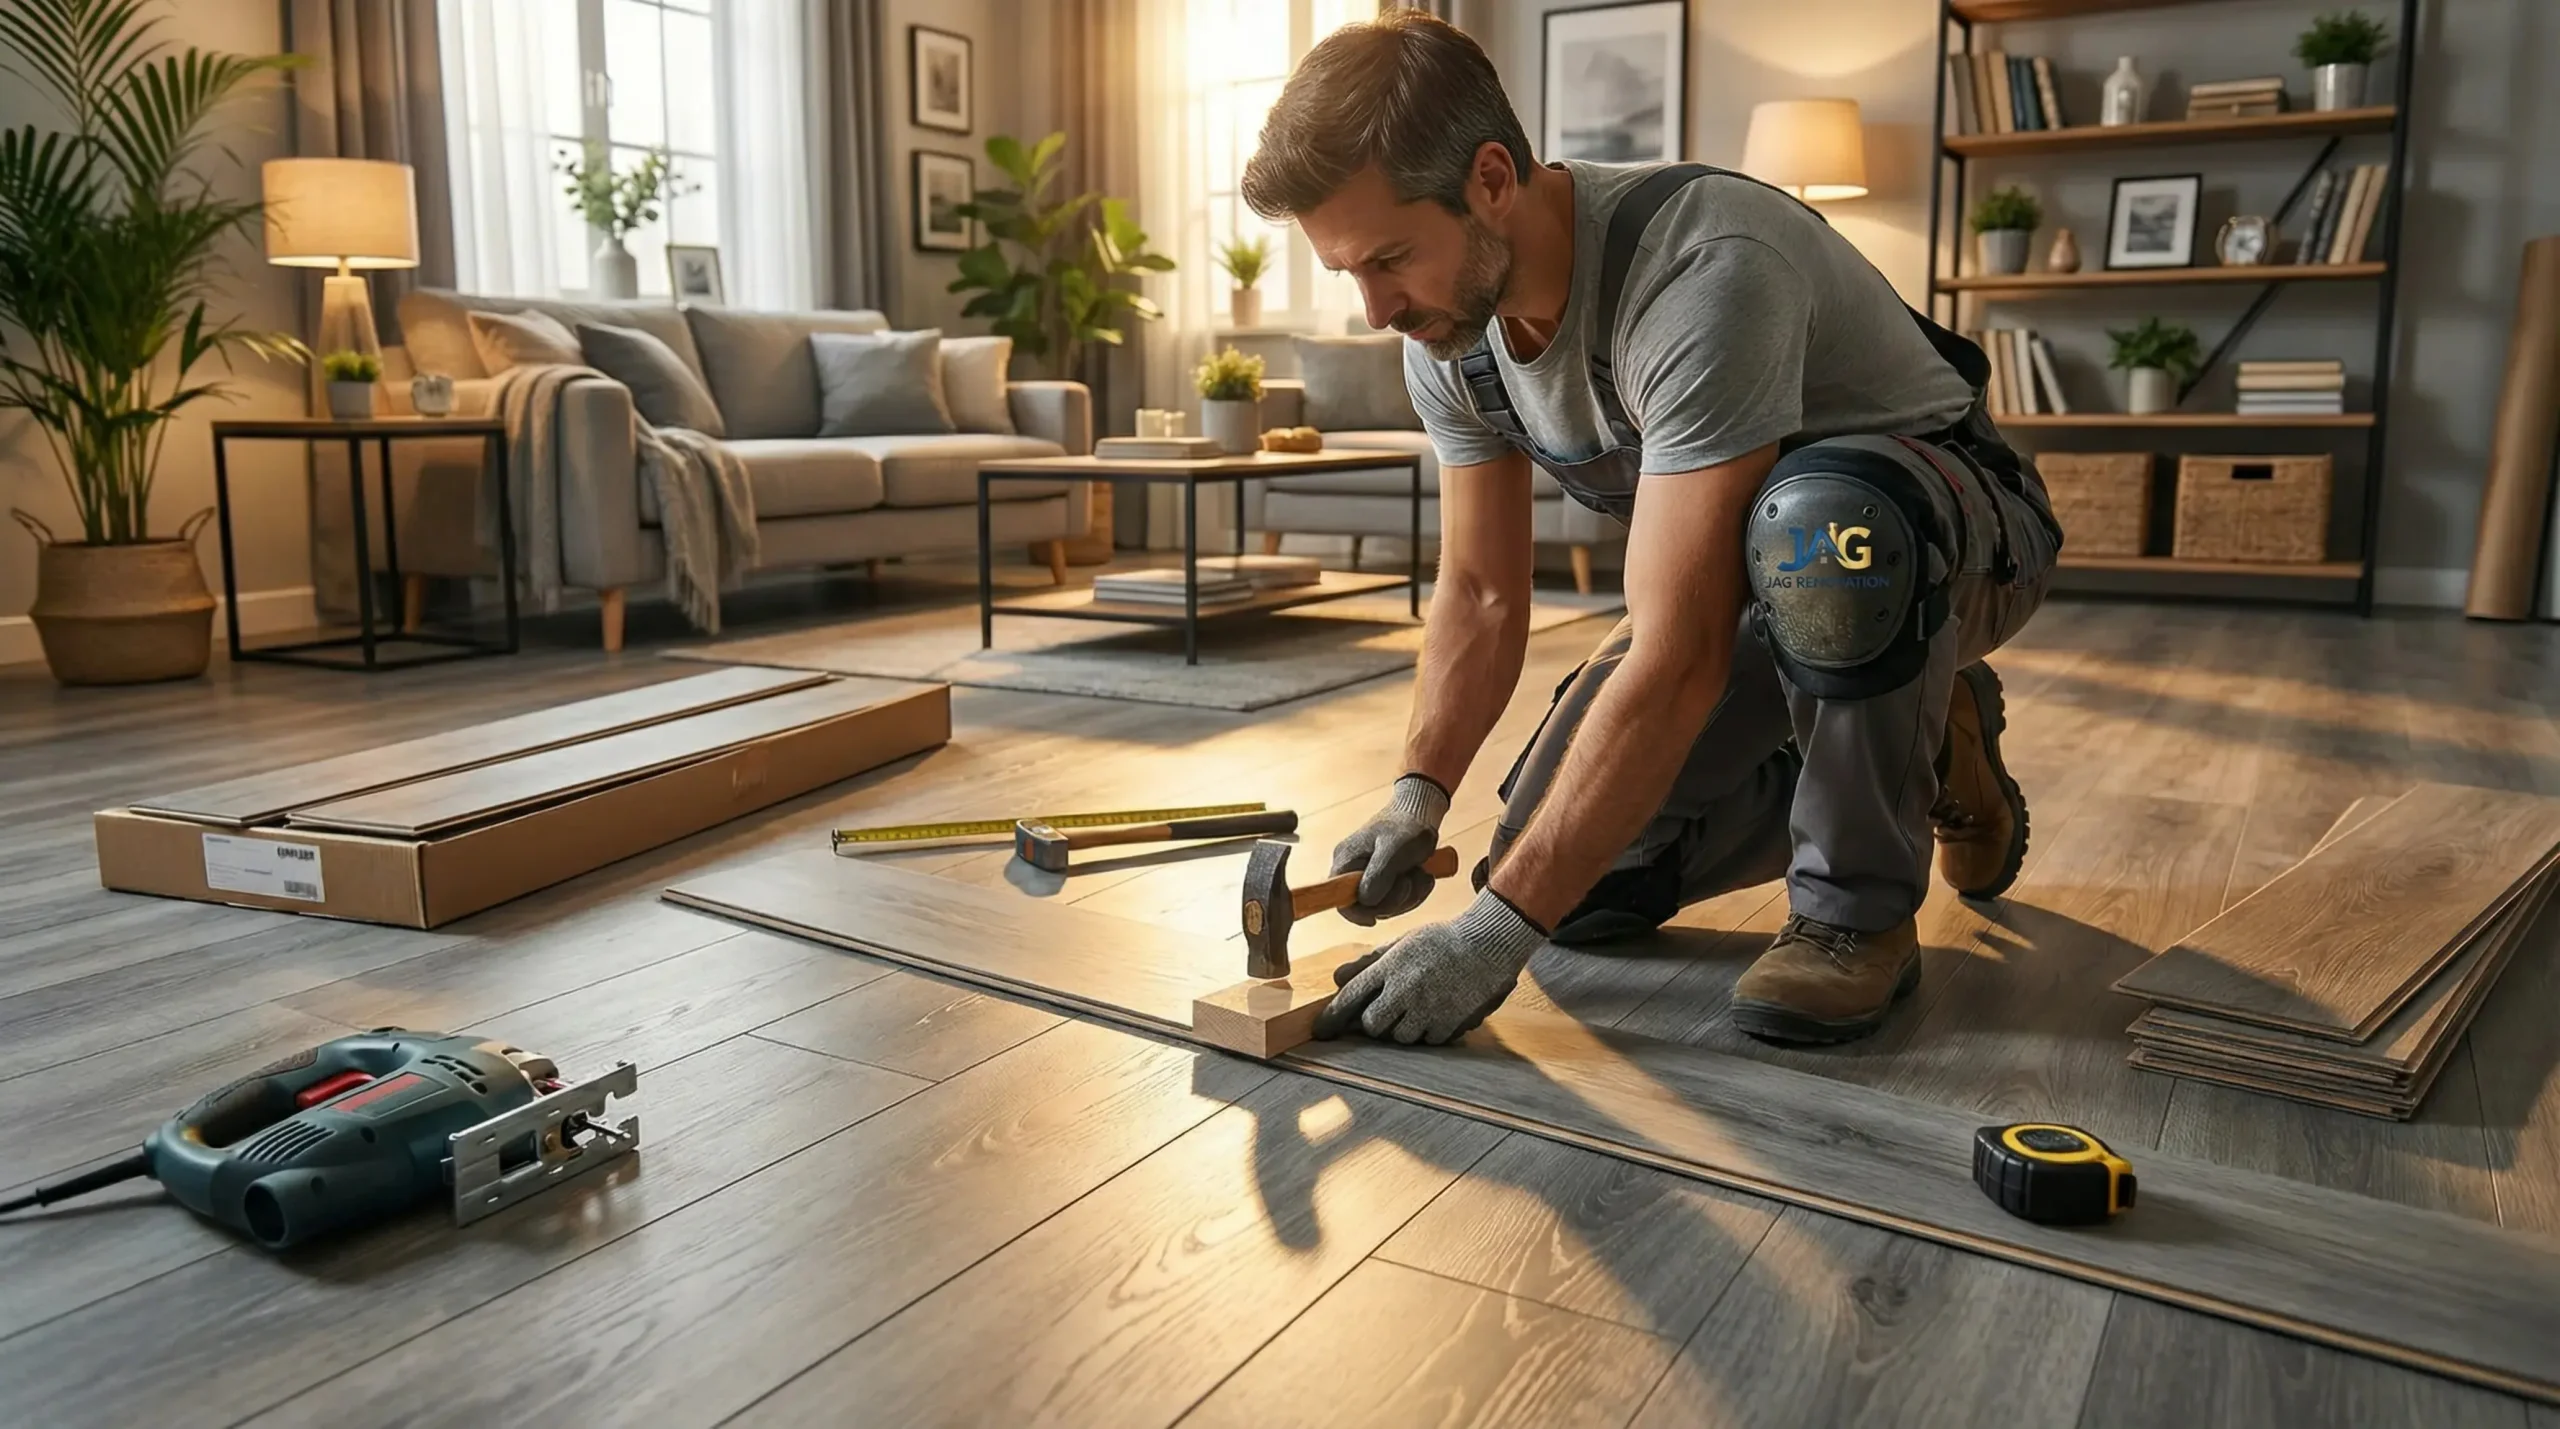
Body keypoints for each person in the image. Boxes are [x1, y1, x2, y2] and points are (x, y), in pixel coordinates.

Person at [1236, 11, 2063, 1048]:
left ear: (1491, 178)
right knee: (1578, 884)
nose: (1371, 309)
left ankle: (1851, 916)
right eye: (1348, 269)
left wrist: (1494, 930)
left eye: (1388, 259)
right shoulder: (1451, 335)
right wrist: (1420, 791)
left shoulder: (1702, 269)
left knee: (1822, 521)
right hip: (1762, 589)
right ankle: (1933, 746)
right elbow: (1484, 594)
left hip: (1943, 540)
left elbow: (1677, 655)